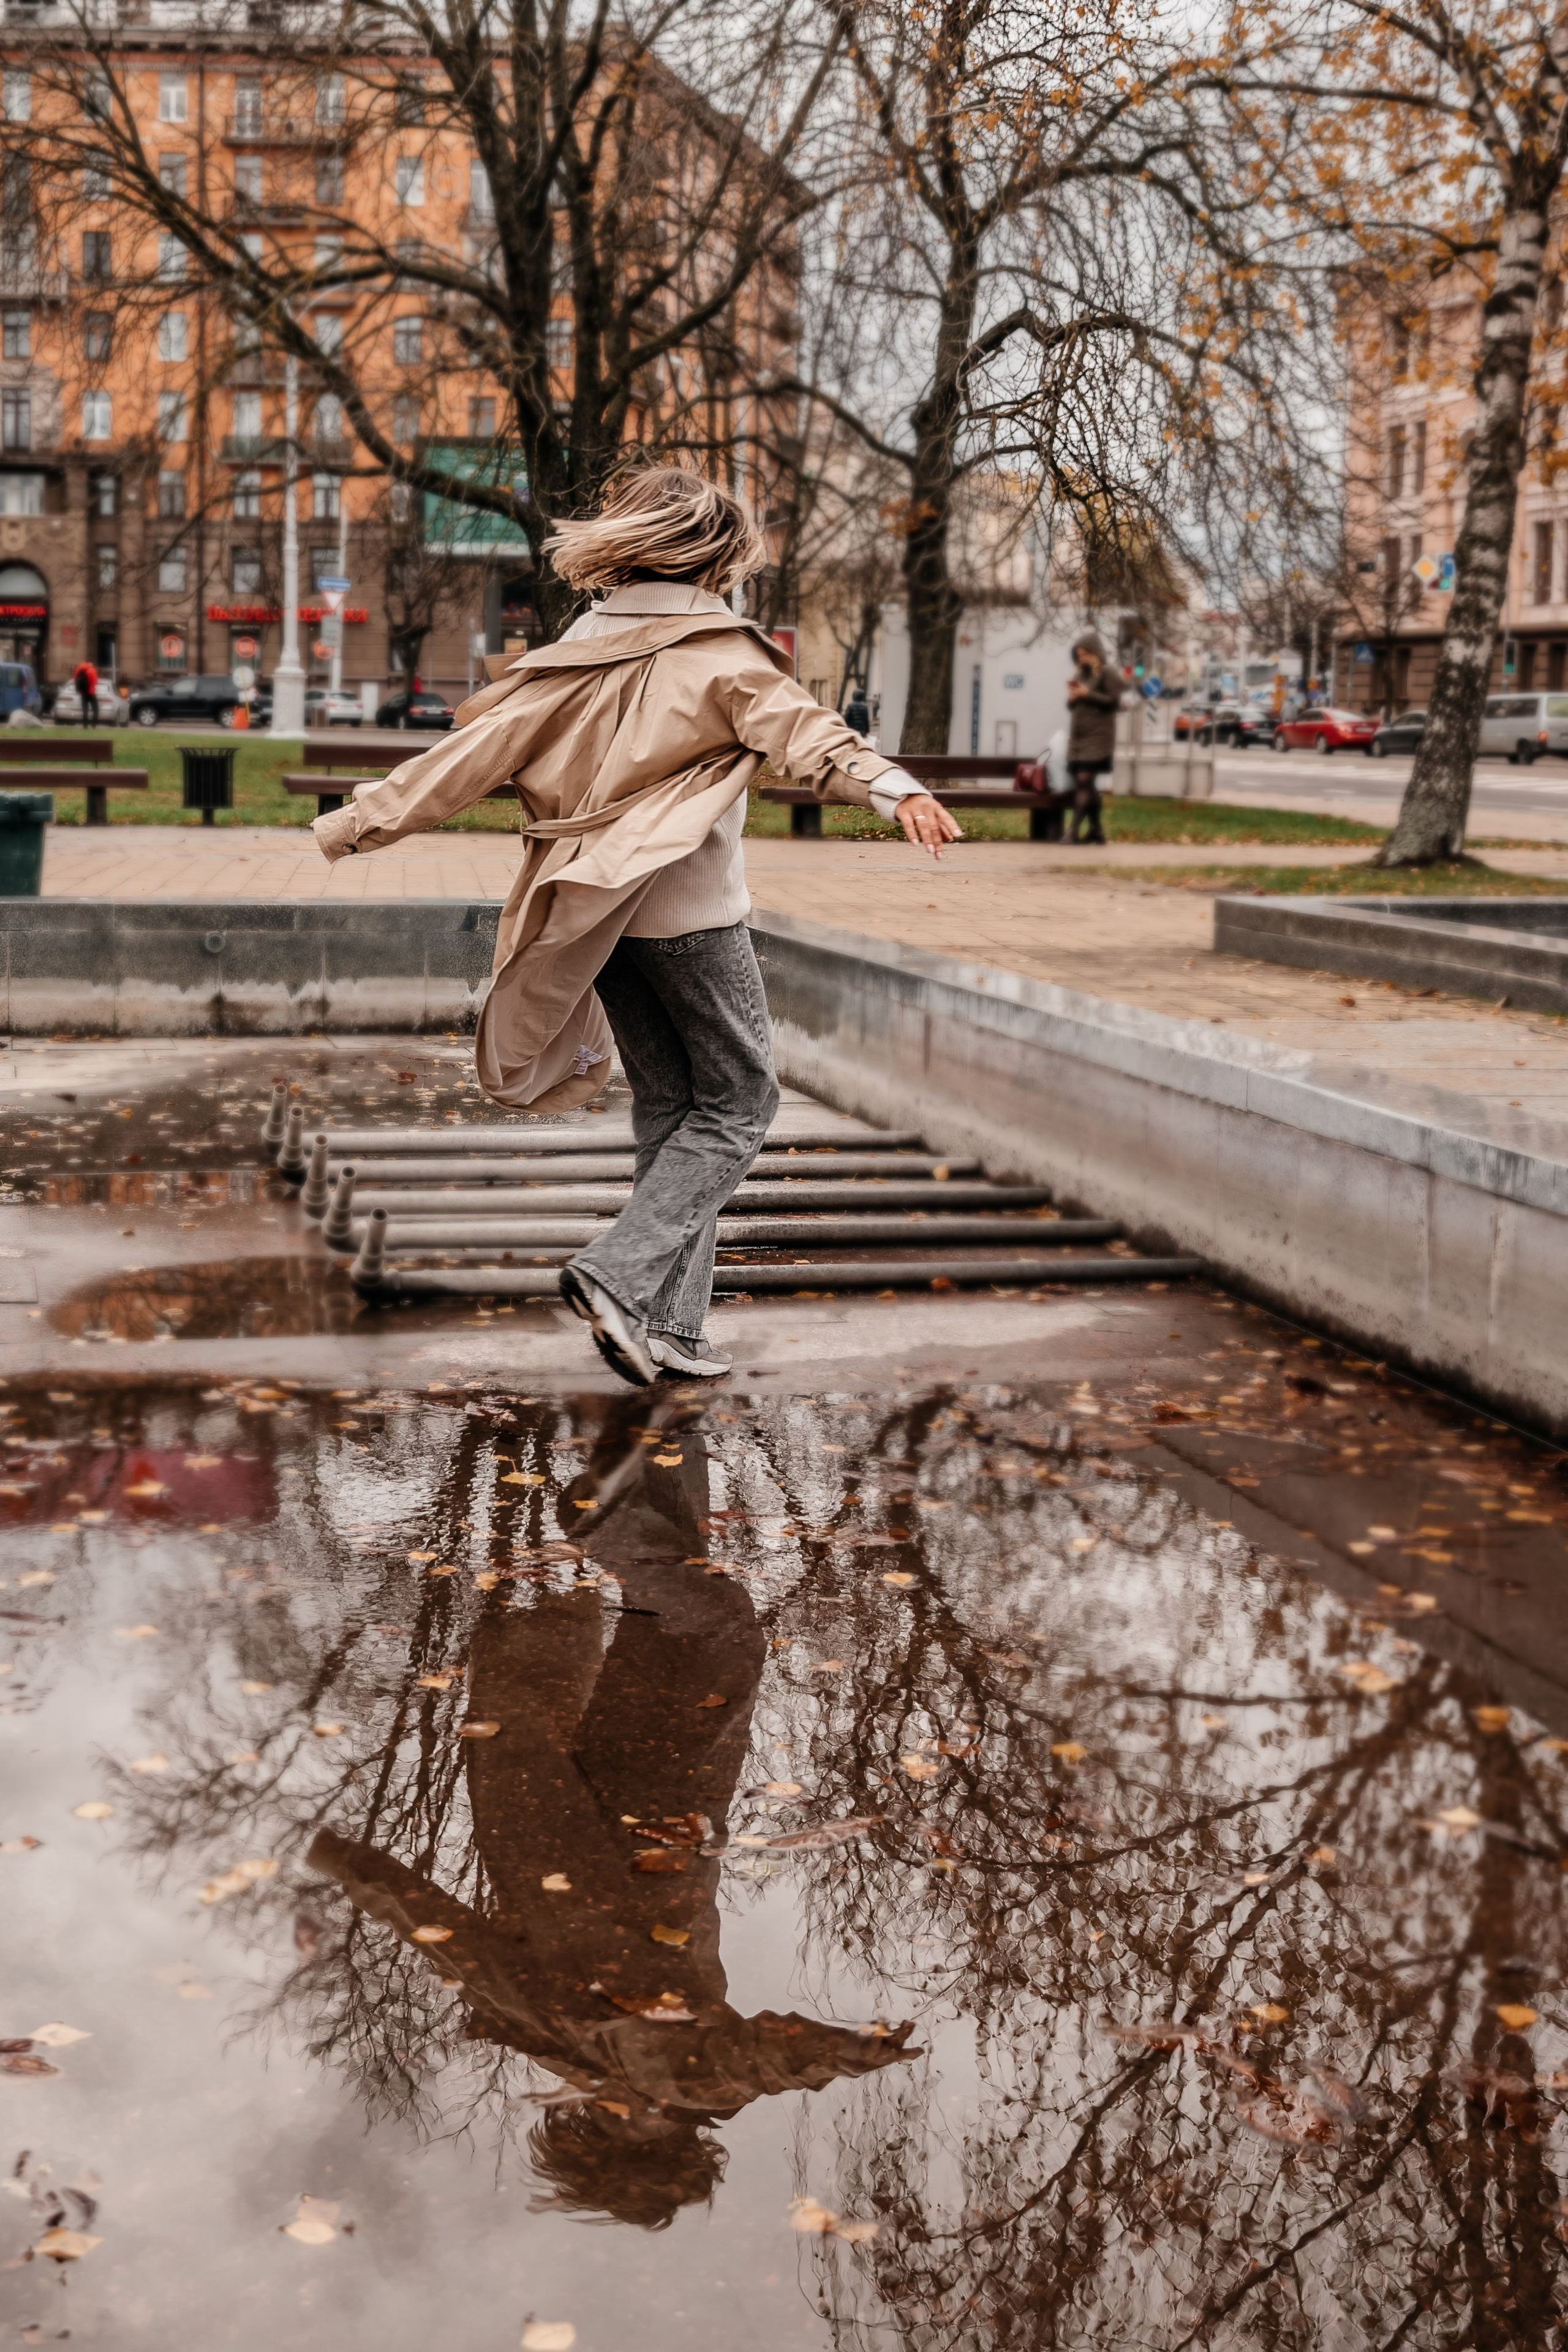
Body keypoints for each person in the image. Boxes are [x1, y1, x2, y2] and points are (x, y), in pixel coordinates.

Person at [311, 466, 962, 1385]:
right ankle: (619, 1274)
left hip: (594, 909)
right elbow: (807, 733)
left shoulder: (574, 653)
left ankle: (671, 1328)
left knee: (671, 1105)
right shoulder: (720, 652)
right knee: (742, 1100)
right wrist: (894, 787)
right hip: (688, 912)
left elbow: (463, 758)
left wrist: (352, 824)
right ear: (713, 558)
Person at [1062, 630, 1120, 844]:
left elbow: (1114, 701)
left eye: (1086, 654)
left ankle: (1072, 831)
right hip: (1079, 738)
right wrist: (1074, 696)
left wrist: (1088, 695)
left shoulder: (1108, 673)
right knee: (1086, 784)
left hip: (1099, 738)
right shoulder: (1081, 675)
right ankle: (1097, 831)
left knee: (1085, 780)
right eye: (1079, 655)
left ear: (1096, 653)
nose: (1082, 659)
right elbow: (1072, 706)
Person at [72, 657, 99, 728]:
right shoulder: (92, 670)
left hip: (83, 693)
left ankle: (85, 726)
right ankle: (94, 725)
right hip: (91, 692)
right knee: (96, 709)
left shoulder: (79, 669)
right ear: (91, 663)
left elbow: (75, 679)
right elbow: (95, 682)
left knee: (85, 710)